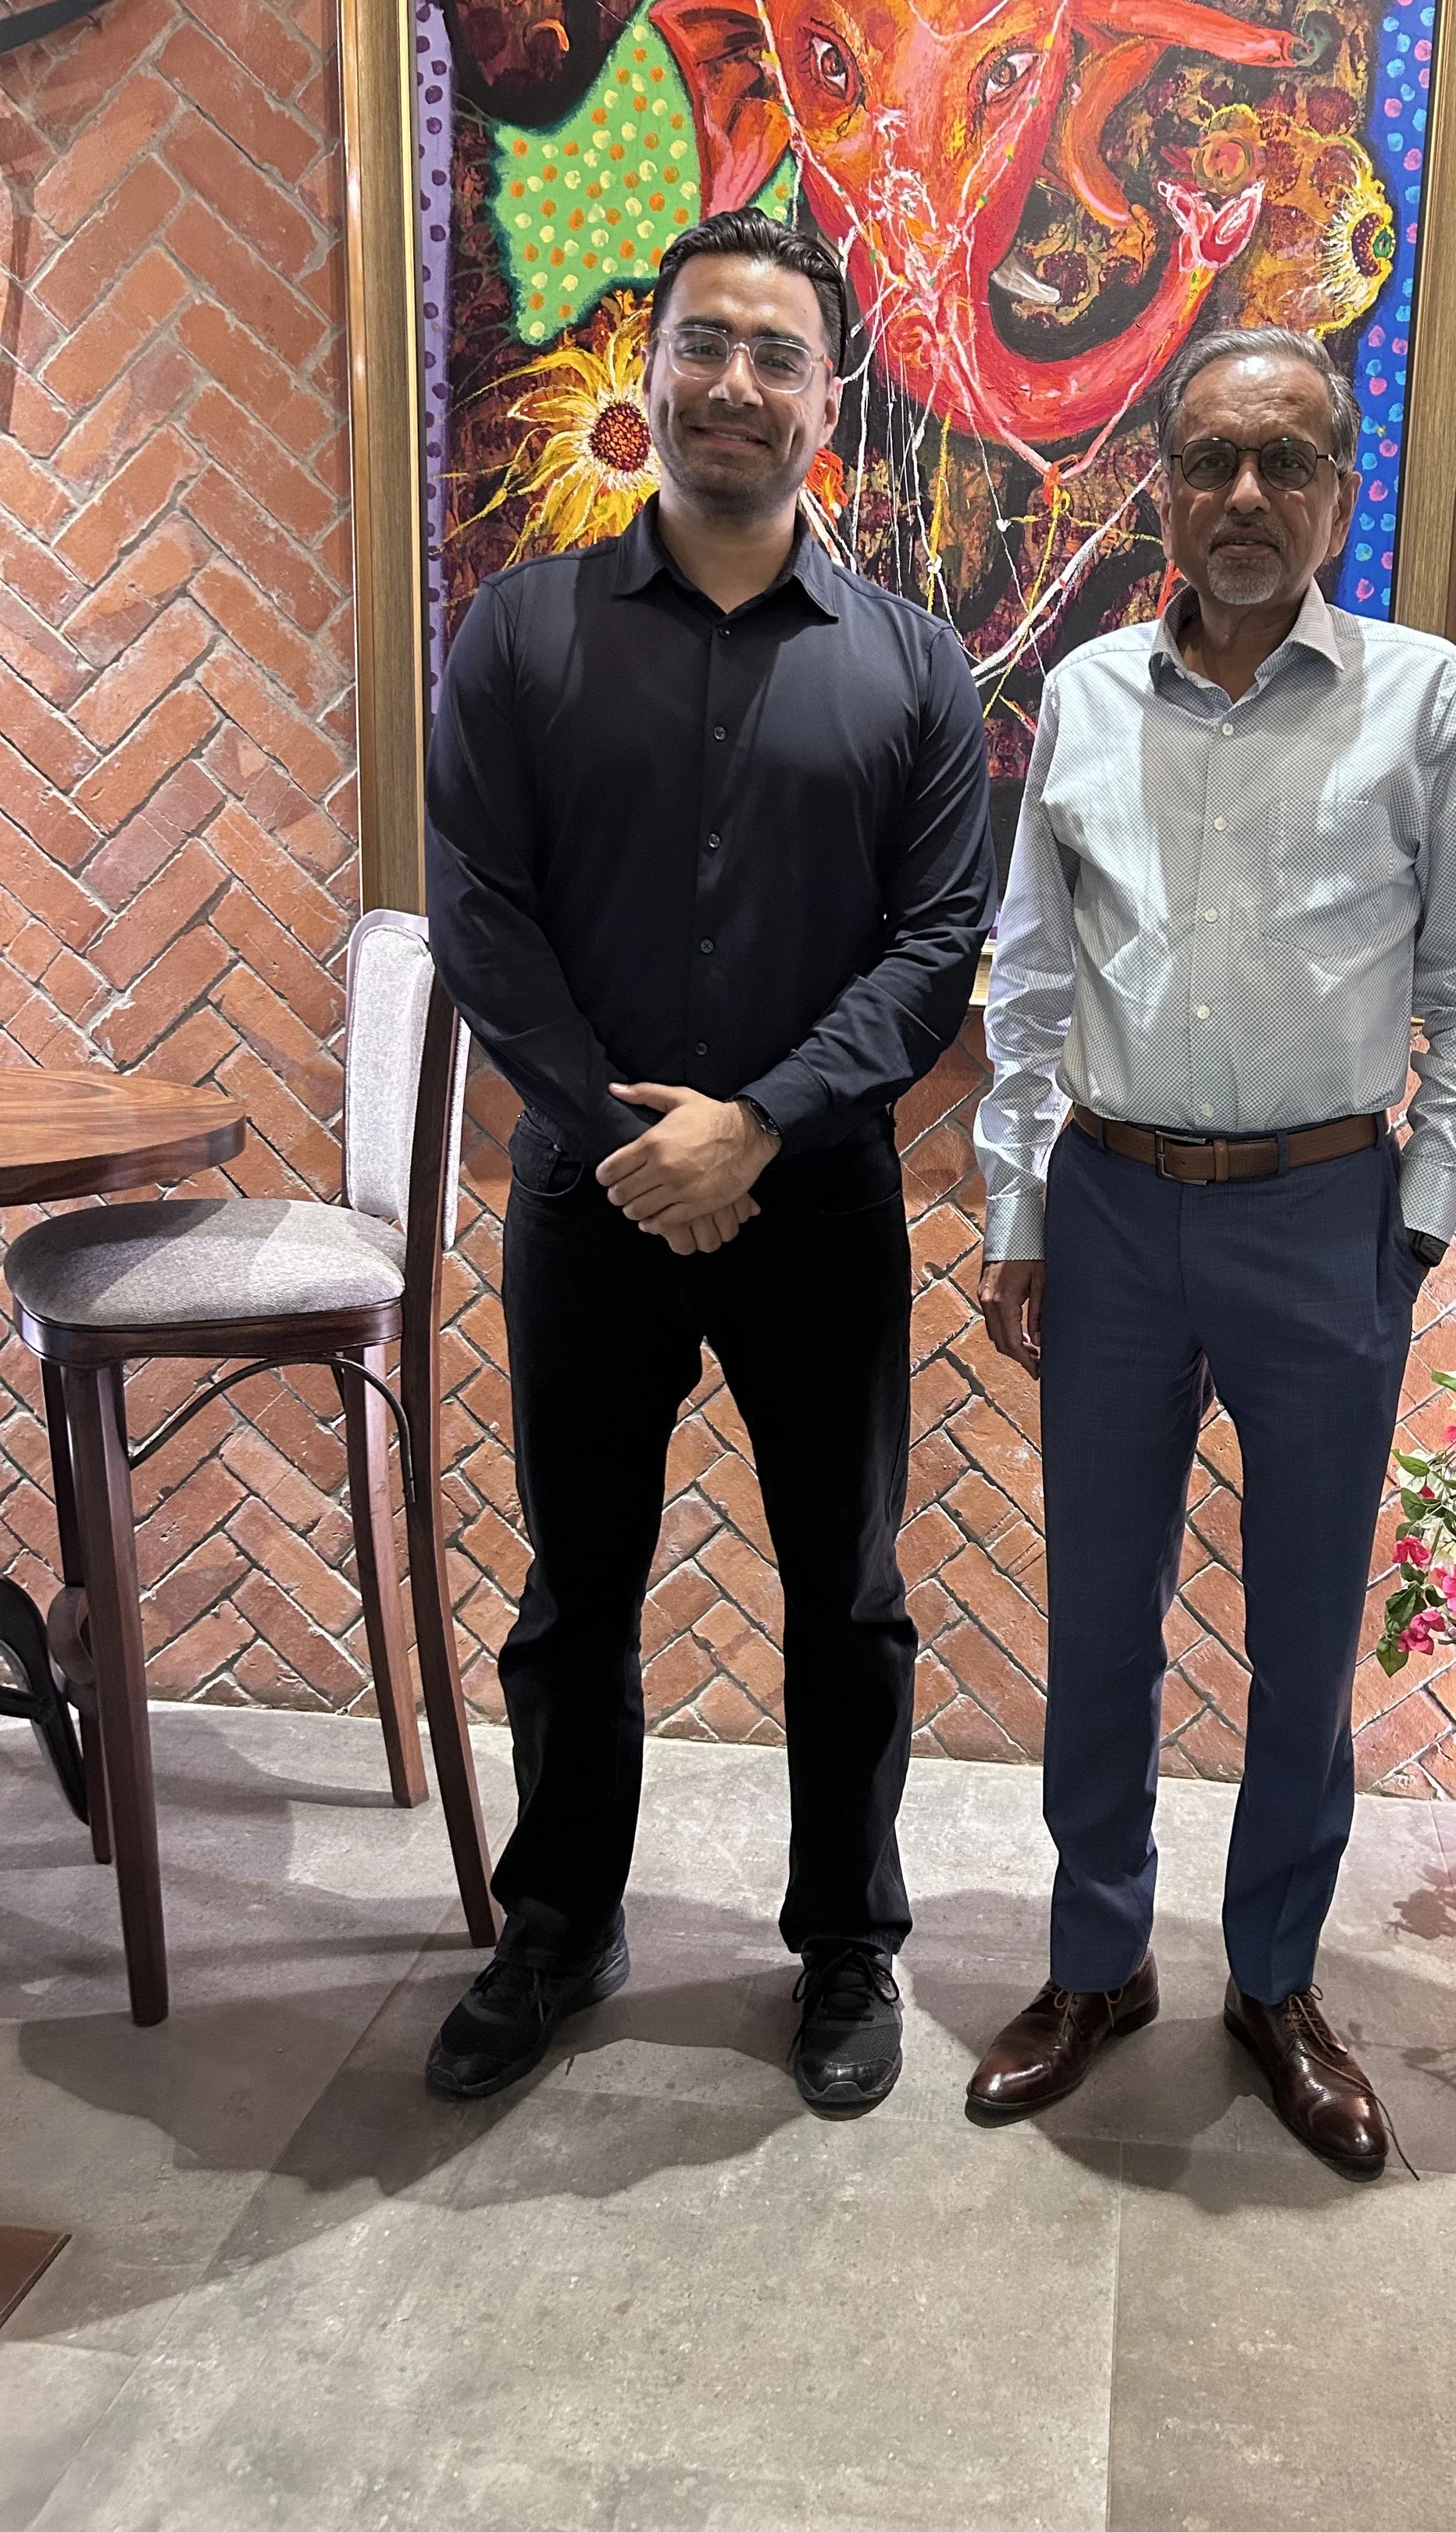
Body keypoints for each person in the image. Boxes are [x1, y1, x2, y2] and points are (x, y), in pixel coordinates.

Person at [423, 209, 994, 2111]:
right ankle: (560, 1926)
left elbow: (934, 949)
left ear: (829, 402)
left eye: (776, 353)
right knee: (575, 1591)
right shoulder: (516, 634)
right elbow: (482, 918)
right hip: (588, 1202)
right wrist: (623, 1135)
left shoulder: (917, 672)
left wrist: (756, 1124)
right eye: (706, 342)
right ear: (648, 364)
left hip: (818, 1201)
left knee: (845, 1596)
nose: (736, 381)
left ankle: (846, 1947)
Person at [966, 326, 1456, 2176]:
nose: (1239, 497)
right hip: (1115, 1214)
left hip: (1320, 1220)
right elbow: (1032, 973)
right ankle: (1095, 1958)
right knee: (1097, 1628)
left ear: (1337, 496)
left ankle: (1277, 1979)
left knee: (1302, 1641)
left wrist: (1414, 1222)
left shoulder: (1422, 699)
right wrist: (1017, 1201)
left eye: (1284, 464)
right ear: (1157, 480)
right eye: (1208, 459)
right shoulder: (1083, 695)